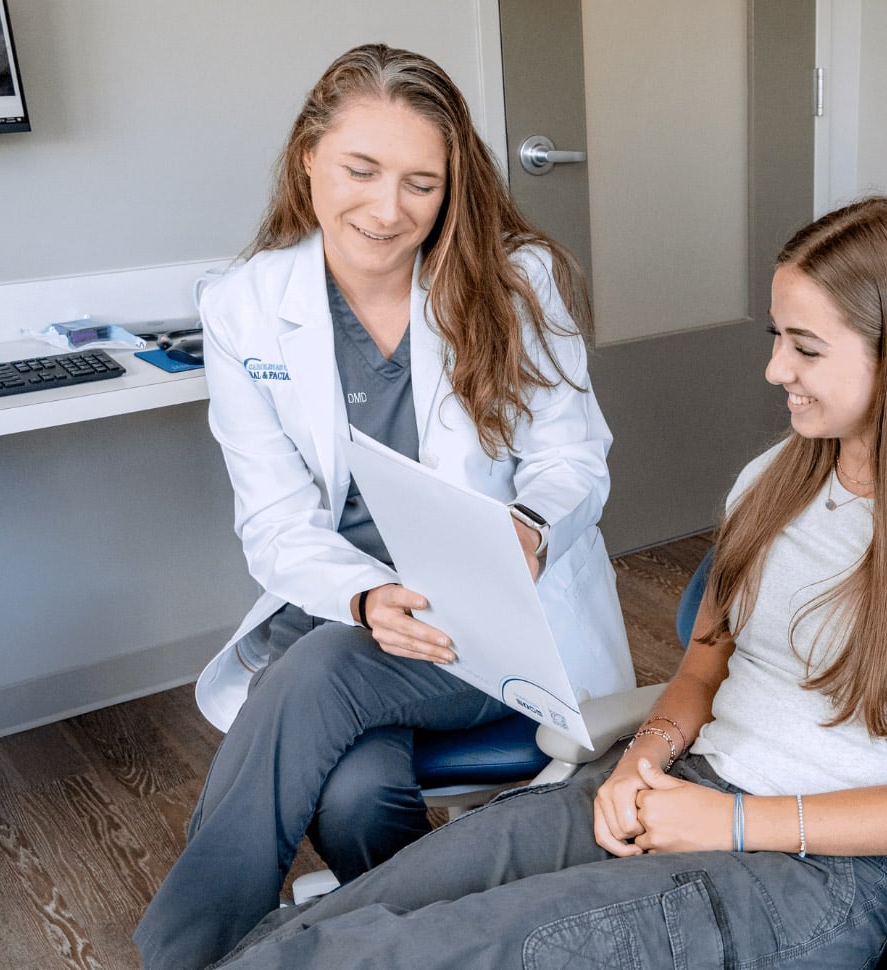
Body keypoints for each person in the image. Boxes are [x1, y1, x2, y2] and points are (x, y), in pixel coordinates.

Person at [201, 196, 887, 968]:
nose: (774, 371)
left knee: (414, 956)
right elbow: (700, 672)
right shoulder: (774, 481)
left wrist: (730, 825)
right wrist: (637, 766)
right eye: (776, 338)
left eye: (806, 347)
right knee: (356, 913)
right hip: (684, 792)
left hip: (811, 880)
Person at [135, 45, 633, 969]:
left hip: (490, 612)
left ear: (452, 190)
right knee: (357, 796)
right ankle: (433, 946)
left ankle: (184, 954)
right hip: (347, 603)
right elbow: (276, 522)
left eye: (421, 183)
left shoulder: (516, 282)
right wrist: (366, 598)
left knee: (323, 672)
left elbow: (574, 459)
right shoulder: (247, 305)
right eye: (360, 170)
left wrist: (527, 527)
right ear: (308, 162)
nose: (387, 207)